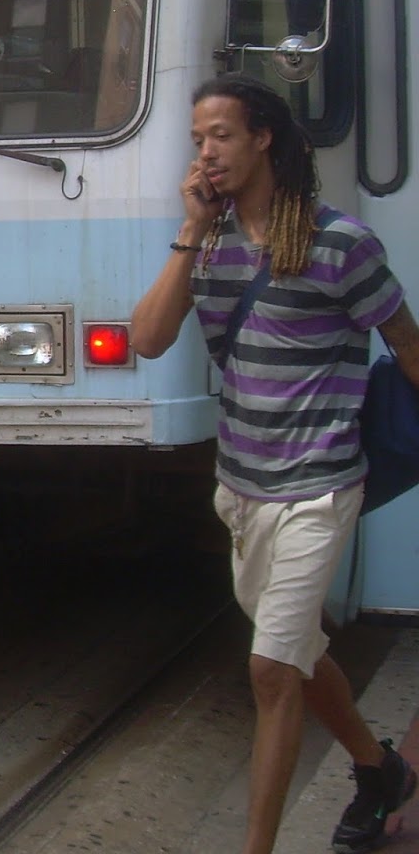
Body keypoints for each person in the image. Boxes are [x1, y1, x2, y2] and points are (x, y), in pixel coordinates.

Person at [129, 74, 418, 854]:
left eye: (220, 135)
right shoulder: (211, 244)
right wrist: (190, 233)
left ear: (264, 139)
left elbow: (408, 344)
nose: (206, 152)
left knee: (270, 672)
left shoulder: (340, 244)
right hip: (242, 487)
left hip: (320, 484)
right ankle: (379, 768)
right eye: (196, 140)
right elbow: (148, 339)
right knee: (299, 652)